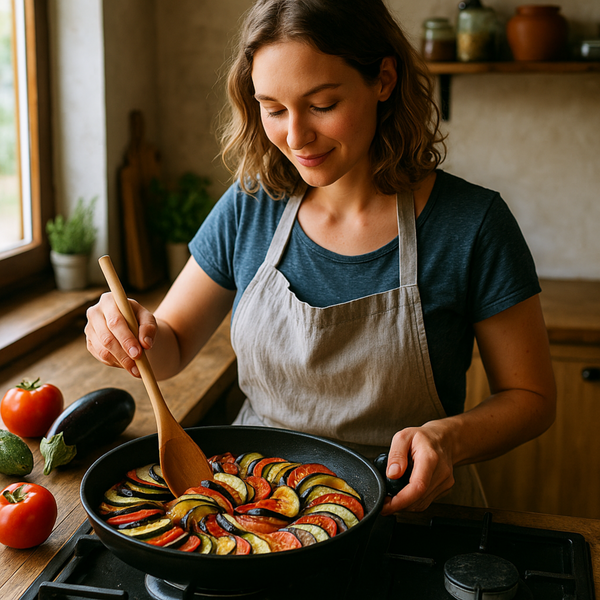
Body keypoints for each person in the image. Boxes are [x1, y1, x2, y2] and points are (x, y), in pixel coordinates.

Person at [85, 0, 556, 515]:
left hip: (407, 517)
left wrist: (449, 439)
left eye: (322, 104)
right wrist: (128, 329)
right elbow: (169, 346)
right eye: (273, 108)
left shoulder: (472, 224)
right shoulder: (249, 207)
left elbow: (530, 398)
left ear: (383, 79)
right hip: (251, 513)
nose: (295, 136)